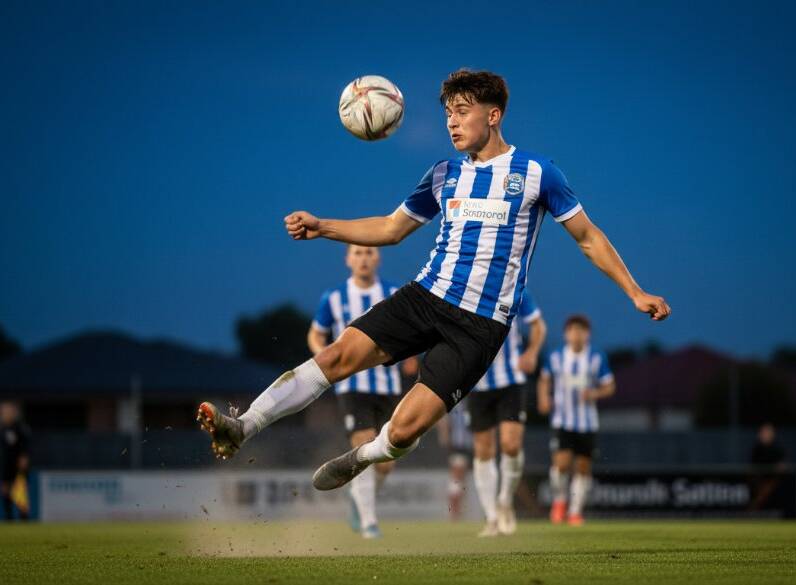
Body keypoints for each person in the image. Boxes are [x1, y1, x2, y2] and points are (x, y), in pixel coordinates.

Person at [197, 69, 670, 494]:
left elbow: (587, 237)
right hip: (426, 297)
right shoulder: (443, 174)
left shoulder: (536, 173)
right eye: (448, 113)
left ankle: (362, 456)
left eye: (462, 112)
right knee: (335, 355)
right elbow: (390, 229)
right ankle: (243, 426)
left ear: (494, 115)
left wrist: (635, 291)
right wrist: (323, 226)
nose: (452, 122)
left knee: (403, 432)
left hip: (479, 327)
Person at [306, 244, 416, 538]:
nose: (363, 258)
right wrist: (325, 358)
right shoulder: (333, 297)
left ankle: (358, 497)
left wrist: (411, 355)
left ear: (377, 258)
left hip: (387, 386)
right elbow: (316, 333)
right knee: (363, 442)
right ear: (348, 259)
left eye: (369, 253)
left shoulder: (394, 293)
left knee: (385, 462)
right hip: (352, 387)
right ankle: (369, 523)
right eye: (357, 253)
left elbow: (412, 332)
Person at [467, 291, 545, 537]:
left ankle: (505, 502)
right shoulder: (462, 288)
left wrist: (531, 353)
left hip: (511, 380)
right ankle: (491, 517)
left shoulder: (516, 290)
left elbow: (538, 326)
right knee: (483, 449)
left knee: (511, 445)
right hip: (477, 383)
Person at [538, 315, 615, 526]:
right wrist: (544, 398)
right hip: (562, 420)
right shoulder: (556, 357)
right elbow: (544, 379)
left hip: (587, 422)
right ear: (566, 334)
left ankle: (575, 511)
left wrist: (594, 394)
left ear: (587, 334)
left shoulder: (596, 358)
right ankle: (560, 502)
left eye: (581, 331)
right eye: (572, 330)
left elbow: (610, 386)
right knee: (561, 464)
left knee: (582, 467)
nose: (576, 335)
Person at [435, 400, 473, 522]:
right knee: (456, 479)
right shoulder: (456, 400)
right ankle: (454, 514)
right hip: (459, 445)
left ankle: (457, 513)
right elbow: (443, 419)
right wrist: (445, 437)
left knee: (460, 480)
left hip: (469, 444)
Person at [1, 402, 31, 521]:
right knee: (5, 490)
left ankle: (24, 517)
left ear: (13, 413)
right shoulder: (2, 428)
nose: (5, 414)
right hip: (5, 464)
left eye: (8, 411)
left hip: (17, 465)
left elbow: (25, 446)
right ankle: (9, 517)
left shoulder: (20, 428)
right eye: (3, 411)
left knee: (20, 491)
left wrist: (24, 459)